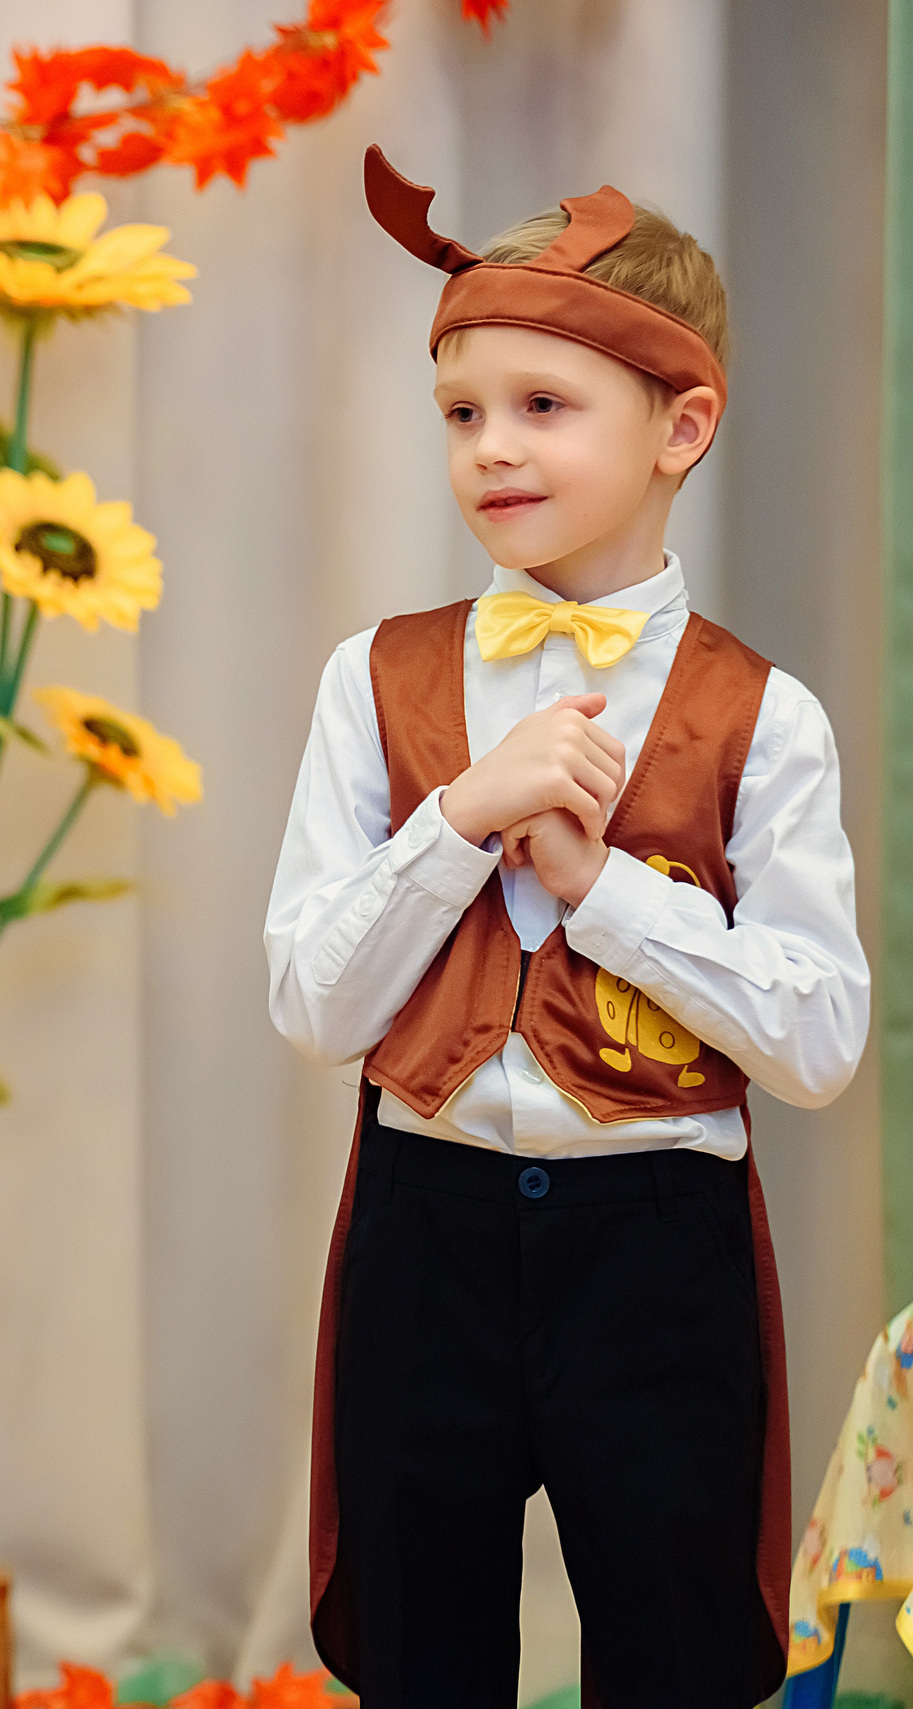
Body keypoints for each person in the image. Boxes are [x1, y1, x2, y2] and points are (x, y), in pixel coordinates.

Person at [265, 149, 869, 1706]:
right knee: (418, 1648)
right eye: (464, 411)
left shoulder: (768, 715)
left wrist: (608, 897)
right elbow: (315, 1007)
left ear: (683, 426)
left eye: (544, 405)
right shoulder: (372, 679)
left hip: (654, 1248)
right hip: (427, 1230)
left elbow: (817, 1041)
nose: (490, 449)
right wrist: (461, 818)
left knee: (673, 1651)